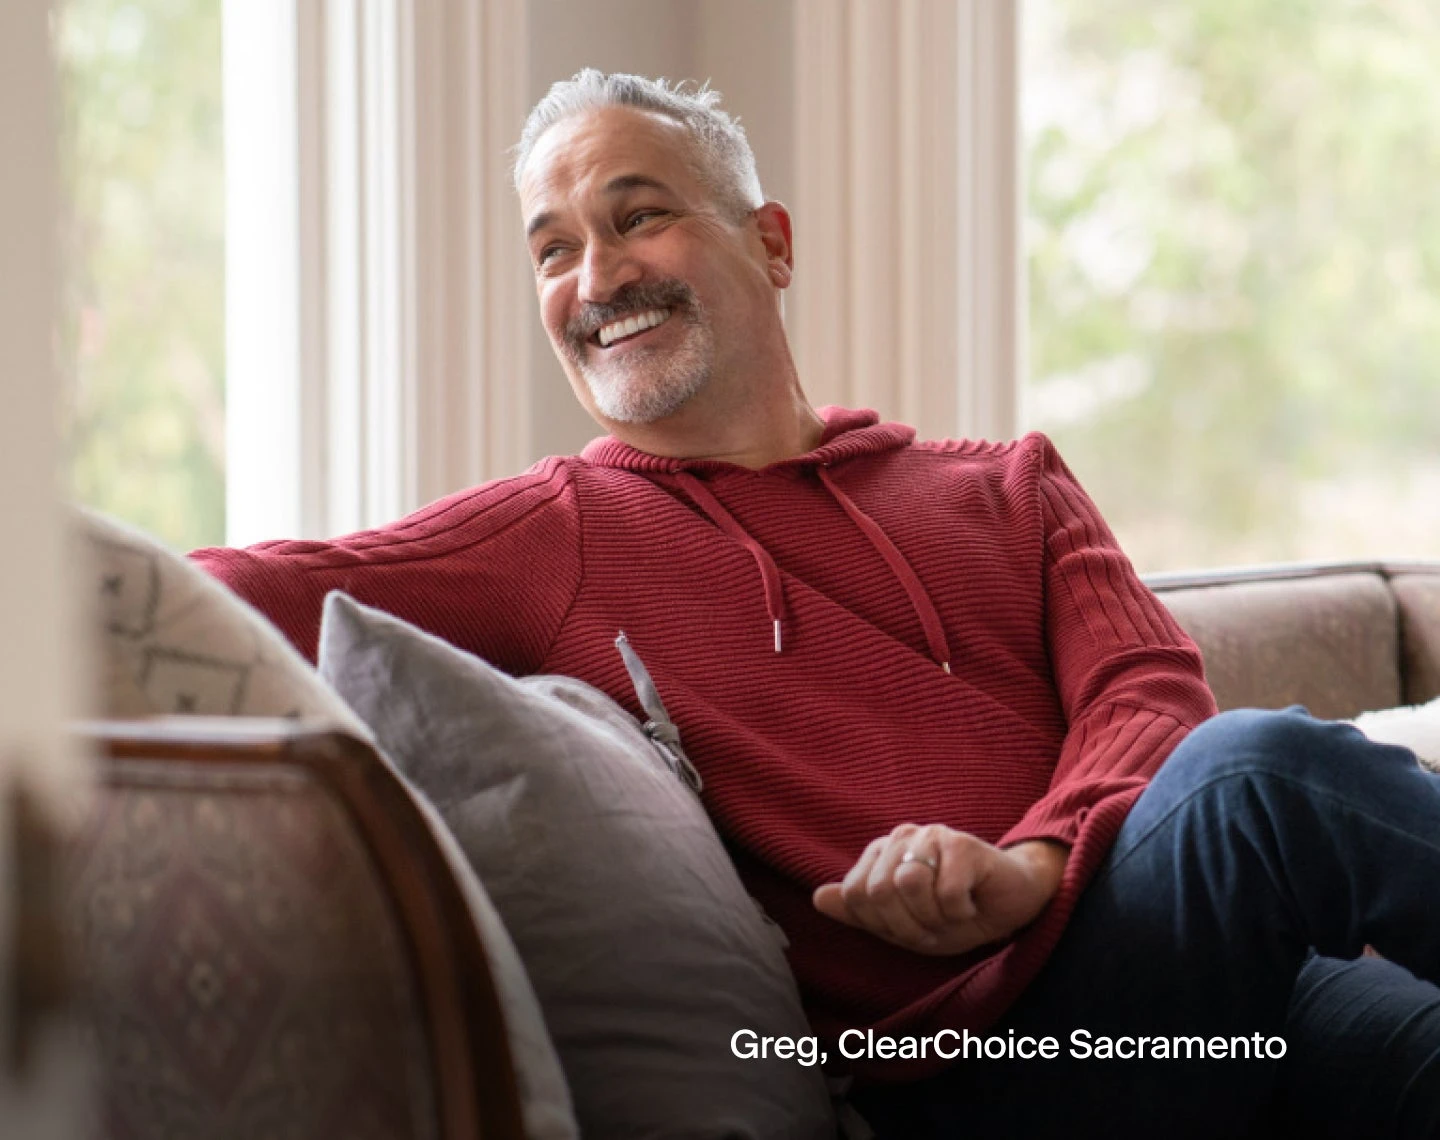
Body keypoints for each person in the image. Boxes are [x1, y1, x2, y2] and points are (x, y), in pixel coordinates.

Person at [193, 70, 1440, 1137]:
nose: (598, 273)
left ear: (771, 243)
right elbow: (224, 594)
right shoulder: (551, 537)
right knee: (1260, 776)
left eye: (640, 216)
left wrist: (1029, 866)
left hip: (1194, 981)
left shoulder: (1011, 485)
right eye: (554, 248)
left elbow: (1148, 692)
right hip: (972, 1068)